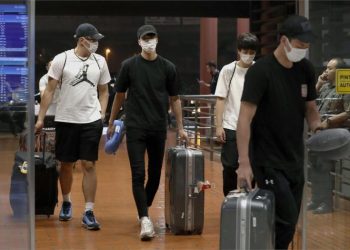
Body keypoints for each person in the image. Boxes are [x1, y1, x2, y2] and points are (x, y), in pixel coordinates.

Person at [236, 15, 321, 249]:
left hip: (294, 159)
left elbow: (311, 109)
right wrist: (244, 163)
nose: (304, 50)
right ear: (284, 41)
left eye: (307, 46)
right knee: (285, 222)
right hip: (267, 160)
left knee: (288, 222)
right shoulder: (261, 72)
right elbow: (244, 119)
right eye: (300, 45)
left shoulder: (305, 69)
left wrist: (318, 128)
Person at [107, 24, 188, 241]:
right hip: (135, 126)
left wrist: (180, 127)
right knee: (138, 174)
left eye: (152, 38)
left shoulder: (168, 67)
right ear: (139, 41)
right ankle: (144, 218)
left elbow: (175, 99)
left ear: (157, 40)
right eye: (145, 38)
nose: (149, 41)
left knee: (154, 176)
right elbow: (119, 95)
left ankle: (144, 204)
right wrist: (112, 120)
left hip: (158, 126)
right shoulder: (129, 66)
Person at [35, 23, 110, 230]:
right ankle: (67, 201)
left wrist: (101, 114)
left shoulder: (100, 61)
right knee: (66, 164)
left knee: (89, 164)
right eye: (92, 39)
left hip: (91, 120)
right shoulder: (62, 59)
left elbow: (104, 91)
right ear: (81, 39)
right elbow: (49, 91)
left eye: (97, 40)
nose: (96, 43)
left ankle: (88, 211)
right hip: (66, 119)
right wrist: (41, 118)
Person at [214, 32, 259, 196]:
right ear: (239, 51)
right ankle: (229, 201)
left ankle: (248, 200)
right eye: (245, 51)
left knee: (252, 166)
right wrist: (219, 126)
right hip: (231, 126)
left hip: (254, 128)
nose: (248, 55)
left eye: (251, 52)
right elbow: (220, 99)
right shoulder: (228, 70)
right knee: (230, 167)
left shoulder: (259, 70)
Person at [308, 58, 350, 214]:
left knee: (323, 163)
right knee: (314, 163)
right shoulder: (325, 86)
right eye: (326, 68)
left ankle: (326, 202)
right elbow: (310, 100)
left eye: (330, 68)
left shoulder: (345, 87)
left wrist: (328, 122)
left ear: (339, 71)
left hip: (336, 131)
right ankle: (317, 199)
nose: (326, 71)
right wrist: (319, 82)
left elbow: (348, 112)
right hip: (321, 131)